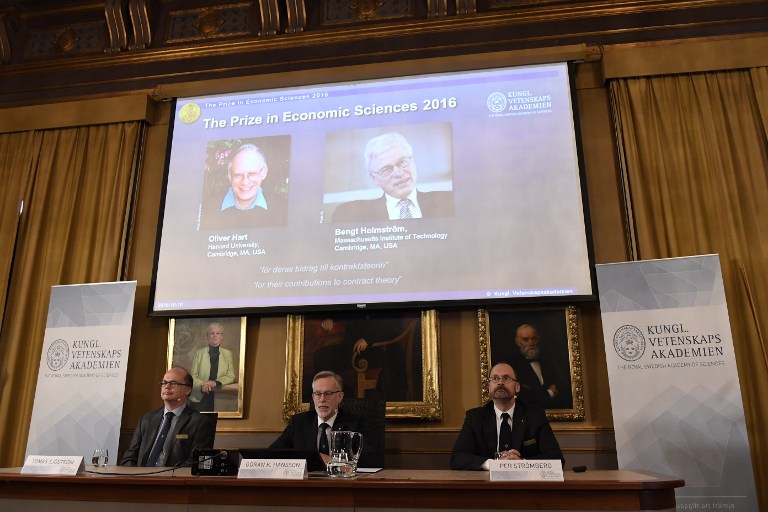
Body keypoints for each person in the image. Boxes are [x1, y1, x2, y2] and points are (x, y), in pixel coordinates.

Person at [450, 362, 563, 470]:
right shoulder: (475, 417)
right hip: (487, 486)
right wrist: (494, 464)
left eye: (506, 378)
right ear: (489, 387)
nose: (500, 383)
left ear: (517, 387)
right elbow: (457, 458)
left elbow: (557, 459)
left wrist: (521, 463)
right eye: (495, 378)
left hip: (524, 485)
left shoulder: (535, 416)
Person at [331, 132, 453, 222]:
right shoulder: (348, 214)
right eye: (386, 169)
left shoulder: (449, 201)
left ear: (414, 161)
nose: (398, 173)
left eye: (402, 162)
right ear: (373, 178)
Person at [270, 371, 379, 468]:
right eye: (318, 394)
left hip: (341, 484)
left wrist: (331, 461)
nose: (322, 399)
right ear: (313, 397)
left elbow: (372, 459)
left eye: (328, 394)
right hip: (306, 485)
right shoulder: (299, 423)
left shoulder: (355, 422)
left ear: (340, 397)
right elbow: (272, 454)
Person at [121, 367, 216, 467]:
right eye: (164, 382)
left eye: (173, 383)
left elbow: (196, 461)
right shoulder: (146, 419)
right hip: (141, 479)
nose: (167, 386)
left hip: (173, 480)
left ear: (187, 390)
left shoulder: (200, 422)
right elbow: (130, 456)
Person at [206, 143, 286, 229]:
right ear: (230, 175)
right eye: (238, 175)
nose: (245, 182)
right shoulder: (206, 208)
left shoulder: (283, 209)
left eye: (252, 174)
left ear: (264, 173)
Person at [508, 324, 573, 409]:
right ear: (518, 342)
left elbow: (563, 389)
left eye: (533, 339)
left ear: (538, 340)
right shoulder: (511, 365)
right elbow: (523, 397)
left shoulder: (547, 362)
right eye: (525, 340)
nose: (531, 343)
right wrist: (550, 393)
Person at [189, 322, 236, 411]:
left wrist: (215, 382)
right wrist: (202, 385)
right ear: (207, 336)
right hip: (199, 396)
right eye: (212, 333)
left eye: (218, 333)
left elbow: (231, 376)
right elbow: (192, 376)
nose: (215, 336)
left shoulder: (228, 354)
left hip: (219, 396)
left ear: (221, 337)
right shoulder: (199, 353)